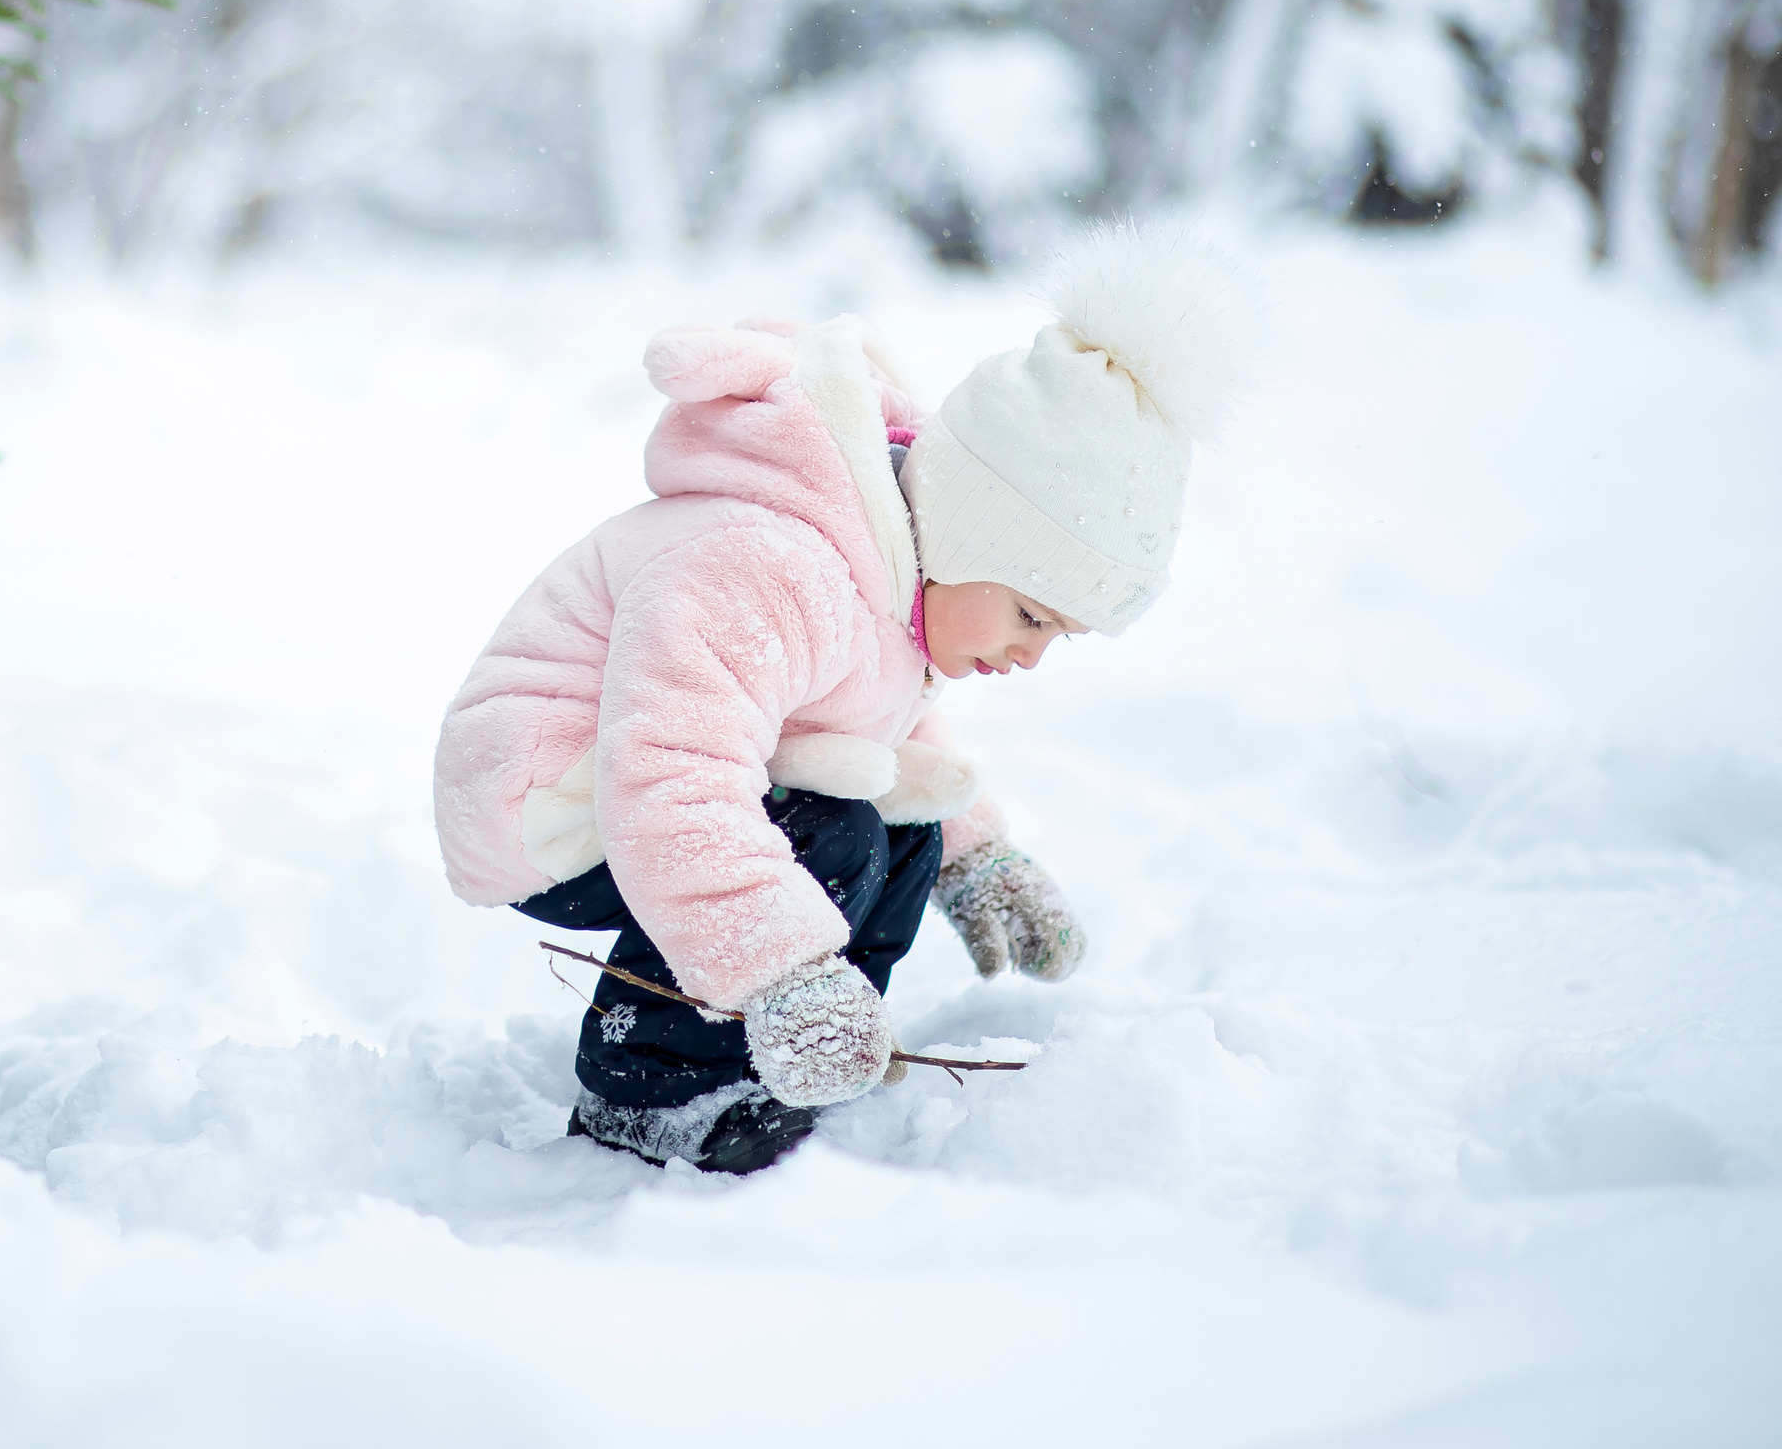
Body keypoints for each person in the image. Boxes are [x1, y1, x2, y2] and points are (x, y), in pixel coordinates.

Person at [431, 228, 1248, 1172]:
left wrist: (974, 854)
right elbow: (668, 775)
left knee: (903, 831)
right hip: (550, 793)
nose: (1031, 656)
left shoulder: (886, 572)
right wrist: (778, 965)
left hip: (649, 784)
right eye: (1030, 612)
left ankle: (802, 1051)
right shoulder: (766, 566)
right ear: (971, 526)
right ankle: (650, 1091)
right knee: (834, 834)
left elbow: (884, 725)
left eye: (1058, 635)